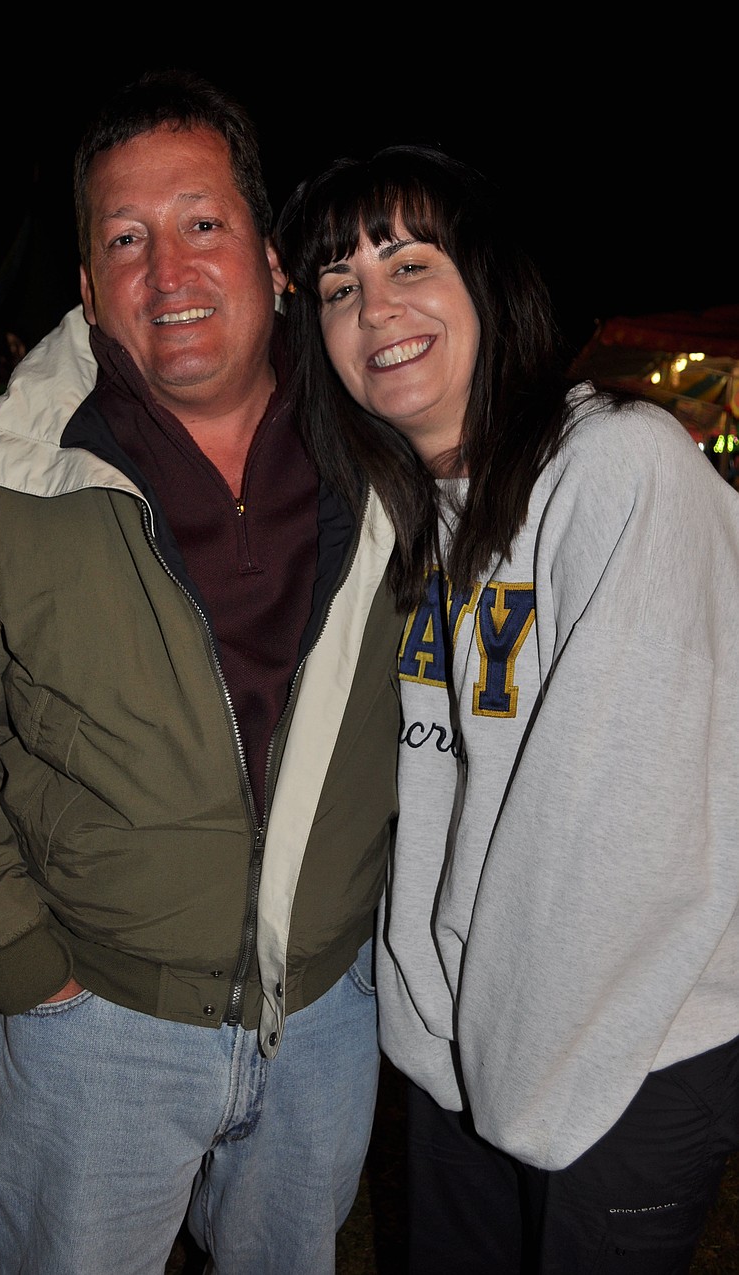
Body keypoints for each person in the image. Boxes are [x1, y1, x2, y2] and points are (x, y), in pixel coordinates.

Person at [0, 71, 406, 1275]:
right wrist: (23, 964)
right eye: (125, 238)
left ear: (272, 257)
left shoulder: (385, 453)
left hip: (326, 1021)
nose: (167, 272)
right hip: (93, 1030)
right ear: (87, 284)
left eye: (201, 222)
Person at [275, 144, 739, 1273]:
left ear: (486, 280)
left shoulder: (617, 467)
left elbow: (627, 830)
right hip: (458, 1044)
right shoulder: (403, 520)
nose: (374, 308)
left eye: (409, 264)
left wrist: (520, 1059)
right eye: (338, 287)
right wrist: (440, 1024)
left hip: (628, 1047)